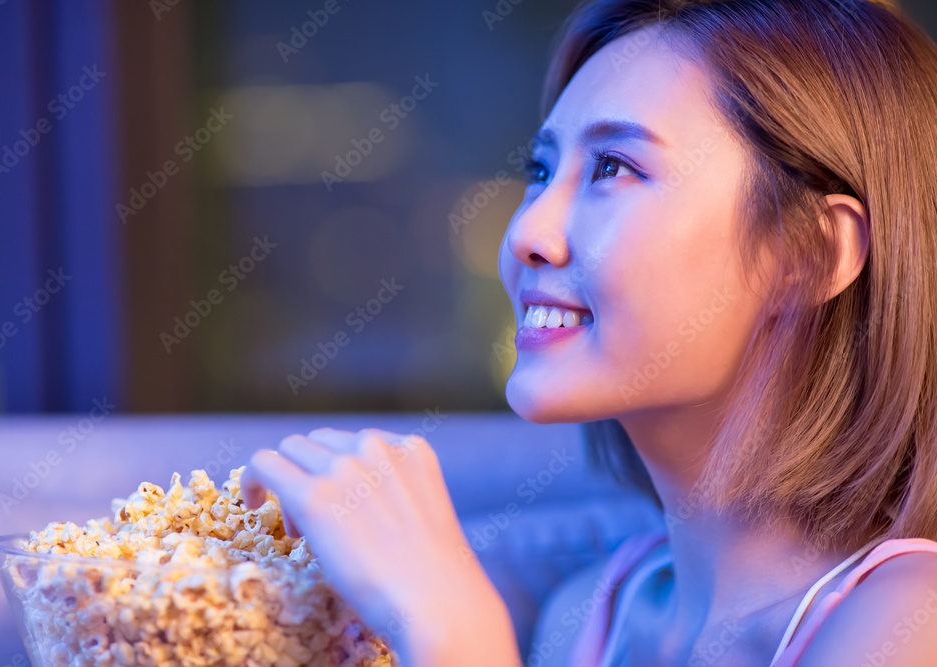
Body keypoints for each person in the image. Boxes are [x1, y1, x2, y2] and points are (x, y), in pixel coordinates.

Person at [242, 0, 937, 665]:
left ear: (812, 253)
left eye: (613, 168)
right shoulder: (584, 615)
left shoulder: (911, 620)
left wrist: (451, 625)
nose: (526, 234)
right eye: (540, 173)